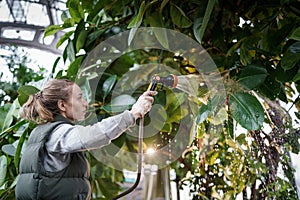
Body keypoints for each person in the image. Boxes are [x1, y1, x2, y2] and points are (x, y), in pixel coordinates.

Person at [15, 79, 157, 200]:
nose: (85, 103)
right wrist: (133, 114)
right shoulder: (59, 133)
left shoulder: (43, 131)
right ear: (62, 105)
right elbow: (94, 135)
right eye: (79, 97)